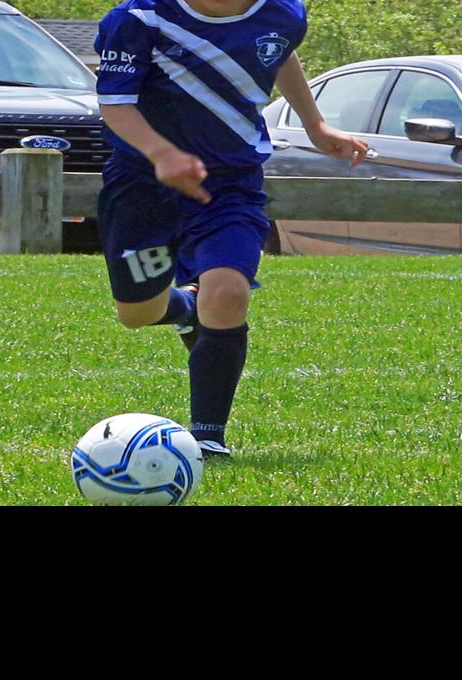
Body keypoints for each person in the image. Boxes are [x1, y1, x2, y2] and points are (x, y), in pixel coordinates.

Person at [94, 0, 367, 458]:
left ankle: (207, 438)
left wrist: (316, 125)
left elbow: (277, 52)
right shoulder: (139, 18)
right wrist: (163, 155)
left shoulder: (284, 13)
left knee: (229, 293)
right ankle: (185, 310)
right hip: (144, 184)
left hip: (230, 183)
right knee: (136, 314)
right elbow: (115, 104)